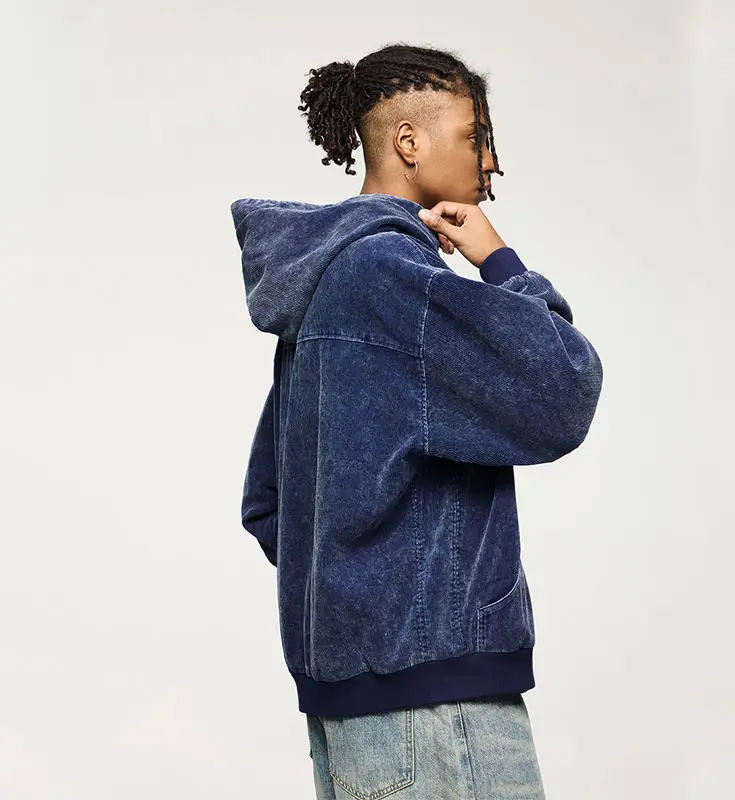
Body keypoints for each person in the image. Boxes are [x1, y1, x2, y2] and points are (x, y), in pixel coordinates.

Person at [230, 43, 603, 799]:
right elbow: (564, 386)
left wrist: (357, 603)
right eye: (475, 136)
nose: (490, 162)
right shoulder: (396, 280)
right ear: (410, 141)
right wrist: (500, 261)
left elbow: (271, 503)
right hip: (434, 702)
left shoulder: (330, 282)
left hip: (358, 707)